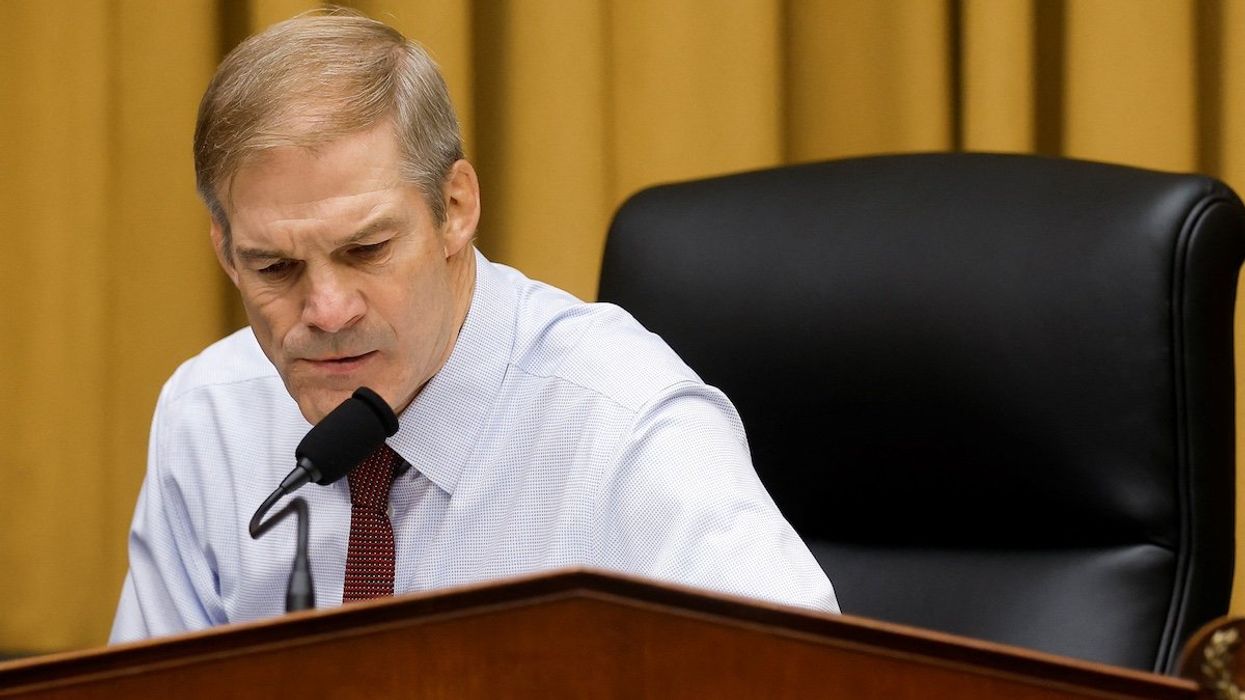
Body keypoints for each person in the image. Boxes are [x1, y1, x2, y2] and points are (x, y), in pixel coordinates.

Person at [110, 10, 837, 643]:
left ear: (455, 207)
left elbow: (814, 681)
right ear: (225, 253)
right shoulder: (208, 415)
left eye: (365, 250)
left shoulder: (626, 427)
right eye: (273, 268)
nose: (327, 312)